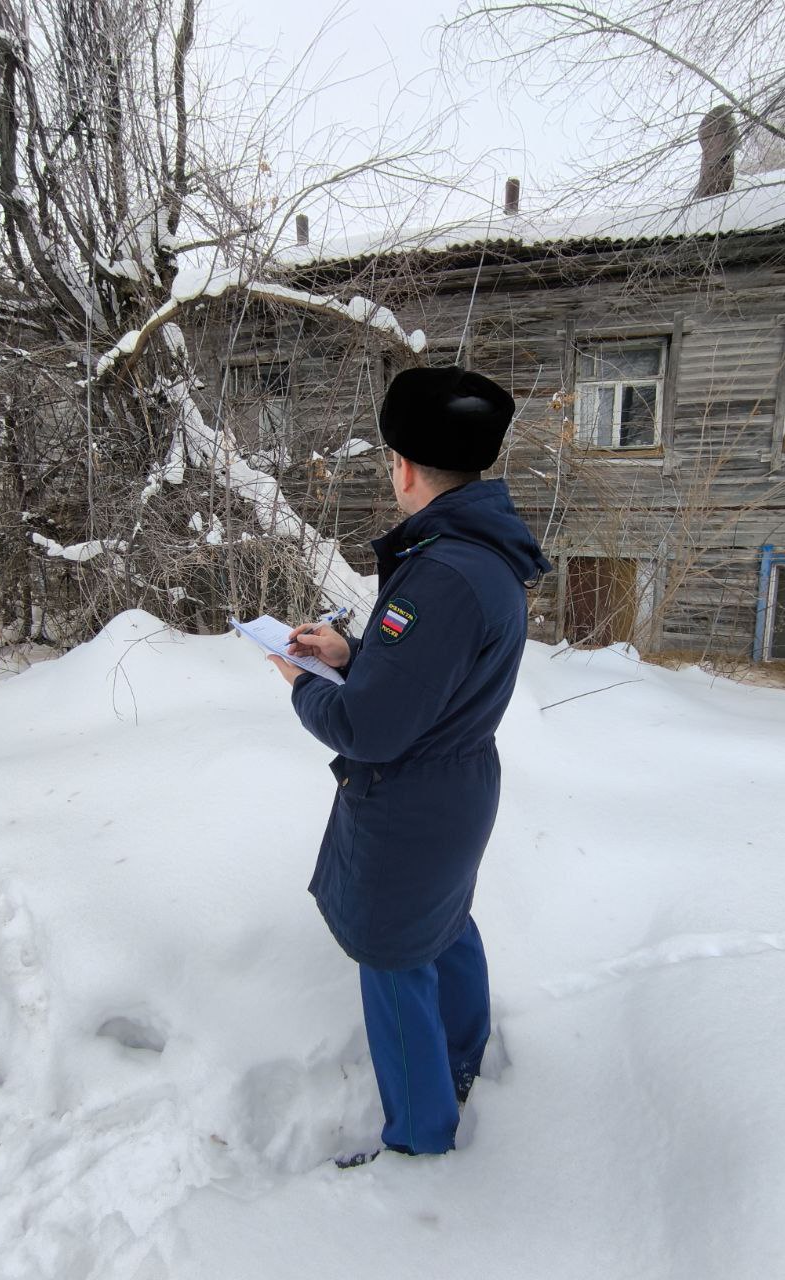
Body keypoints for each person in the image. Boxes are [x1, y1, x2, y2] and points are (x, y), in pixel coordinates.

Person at [268, 365, 552, 1162]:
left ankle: (421, 1141)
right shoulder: (483, 551)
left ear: (403, 466)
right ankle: (461, 1056)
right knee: (444, 922)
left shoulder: (442, 574)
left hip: (414, 803)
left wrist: (301, 681)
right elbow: (432, 673)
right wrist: (352, 653)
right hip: (455, 789)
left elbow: (369, 728)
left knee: (394, 957)